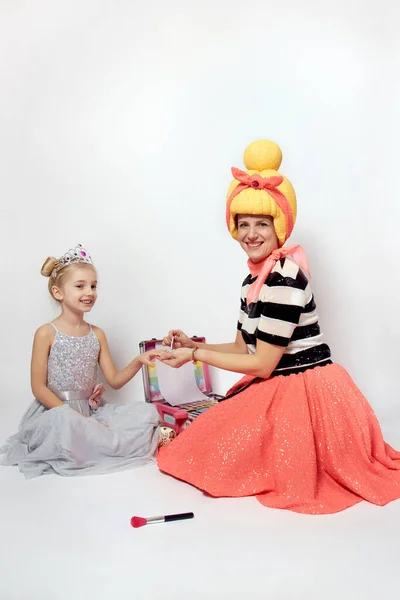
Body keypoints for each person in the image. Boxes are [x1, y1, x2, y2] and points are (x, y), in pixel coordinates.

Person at [157, 139, 400, 514]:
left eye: (262, 224)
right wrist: (193, 345)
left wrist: (194, 355)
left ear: (279, 227)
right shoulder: (254, 282)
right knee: (200, 443)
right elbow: (242, 349)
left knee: (218, 455)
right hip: (279, 384)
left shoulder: (285, 278)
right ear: (234, 229)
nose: (252, 234)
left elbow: (262, 364)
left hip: (308, 391)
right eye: (244, 224)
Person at [0, 244, 174, 479]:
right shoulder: (46, 333)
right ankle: (96, 441)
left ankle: (132, 440)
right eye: (80, 286)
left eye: (93, 286)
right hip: (57, 412)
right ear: (58, 292)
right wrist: (75, 418)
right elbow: (38, 388)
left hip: (91, 411)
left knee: (145, 413)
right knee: (71, 432)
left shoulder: (97, 334)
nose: (89, 292)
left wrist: (139, 360)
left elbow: (114, 380)